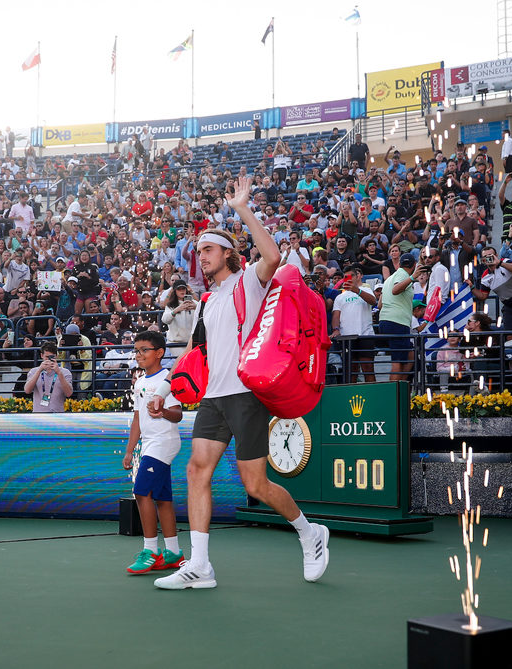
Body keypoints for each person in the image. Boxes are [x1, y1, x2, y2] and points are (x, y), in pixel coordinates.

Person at [155, 177, 330, 591]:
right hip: (214, 399)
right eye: (199, 251)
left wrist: (243, 209)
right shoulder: (208, 300)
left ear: (228, 254)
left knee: (256, 484)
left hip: (247, 395)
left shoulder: (250, 280)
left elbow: (272, 253)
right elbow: (193, 353)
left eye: (208, 249)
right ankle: (200, 565)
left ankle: (309, 532)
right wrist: (162, 392)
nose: (202, 256)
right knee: (197, 471)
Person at [121, 331, 185, 574]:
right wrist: (130, 451)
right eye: (136, 350)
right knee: (162, 498)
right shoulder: (139, 382)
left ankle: (151, 552)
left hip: (165, 441)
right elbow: (137, 419)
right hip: (149, 444)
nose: (139, 355)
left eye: (144, 350)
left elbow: (177, 414)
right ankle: (174, 553)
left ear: (159, 353)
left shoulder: (168, 380)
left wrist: (163, 412)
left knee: (141, 492)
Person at [331, 268, 377, 383]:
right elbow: (336, 315)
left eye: (351, 276)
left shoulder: (366, 289)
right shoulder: (340, 296)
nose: (349, 279)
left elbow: (373, 301)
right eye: (346, 277)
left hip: (365, 335)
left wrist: (357, 291)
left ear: (357, 276)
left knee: (368, 370)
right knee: (351, 371)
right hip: (347, 337)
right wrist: (336, 329)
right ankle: (349, 398)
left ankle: (372, 397)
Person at [378, 254, 417, 381]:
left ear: (399, 264)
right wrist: (412, 278)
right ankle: (394, 392)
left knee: (410, 355)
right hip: (397, 322)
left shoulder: (389, 278)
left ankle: (400, 384)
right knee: (398, 360)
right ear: (414, 266)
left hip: (385, 321)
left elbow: (379, 305)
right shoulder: (403, 275)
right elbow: (395, 290)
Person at [22, 342, 73, 413]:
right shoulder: (33, 371)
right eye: (46, 357)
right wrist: (39, 370)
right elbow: (27, 390)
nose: (49, 360)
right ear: (41, 355)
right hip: (39, 415)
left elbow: (69, 393)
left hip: (58, 414)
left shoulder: (65, 372)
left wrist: (59, 373)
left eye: (52, 357)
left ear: (56, 356)